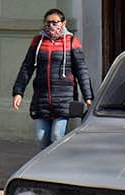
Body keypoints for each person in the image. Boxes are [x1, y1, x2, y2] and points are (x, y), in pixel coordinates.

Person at [11, 9, 93, 147]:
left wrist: (88, 97)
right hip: (42, 99)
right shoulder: (38, 41)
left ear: (63, 23)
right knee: (40, 137)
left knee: (56, 136)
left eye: (55, 22)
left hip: (63, 99)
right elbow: (27, 67)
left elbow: (81, 71)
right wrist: (18, 92)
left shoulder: (72, 42)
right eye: (48, 23)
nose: (51, 26)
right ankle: (46, 162)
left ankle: (58, 165)